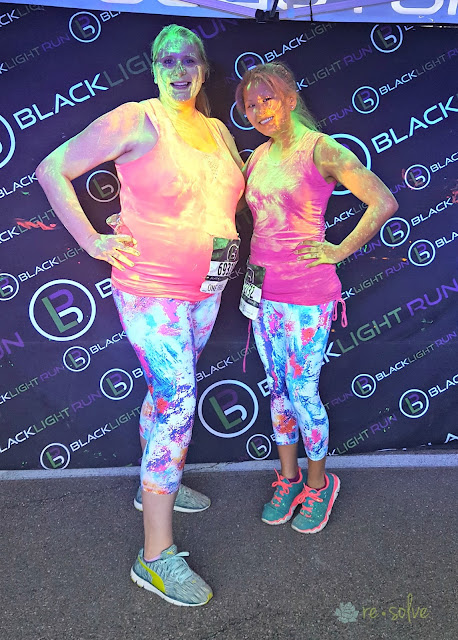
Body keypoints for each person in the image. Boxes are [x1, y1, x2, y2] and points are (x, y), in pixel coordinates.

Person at [36, 24, 244, 606]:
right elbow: (52, 168)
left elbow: (233, 198)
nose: (179, 70)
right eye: (167, 60)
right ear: (154, 69)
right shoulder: (137, 118)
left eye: (189, 60)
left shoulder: (218, 131)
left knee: (164, 393)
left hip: (207, 289)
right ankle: (154, 558)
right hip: (151, 289)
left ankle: (153, 489)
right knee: (178, 403)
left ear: (203, 70)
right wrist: (93, 241)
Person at [235, 62, 398, 534]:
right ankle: (287, 478)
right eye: (250, 105)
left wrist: (339, 249)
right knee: (278, 390)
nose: (259, 111)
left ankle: (318, 483)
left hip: (307, 295)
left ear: (289, 98)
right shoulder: (257, 157)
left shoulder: (321, 148)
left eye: (267, 99)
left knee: (303, 392)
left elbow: (383, 201)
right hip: (262, 292)